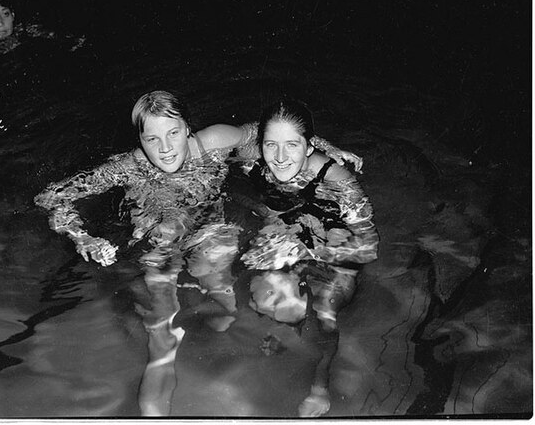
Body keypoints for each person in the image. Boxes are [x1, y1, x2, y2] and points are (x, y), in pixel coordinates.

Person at [34, 90, 362, 416]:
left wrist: (326, 149)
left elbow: (266, 132)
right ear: (140, 139)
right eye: (152, 138)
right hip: (158, 243)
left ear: (188, 128)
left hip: (208, 233)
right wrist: (82, 238)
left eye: (173, 133)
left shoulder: (212, 142)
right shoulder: (126, 167)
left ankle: (230, 320)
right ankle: (154, 414)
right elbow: (50, 198)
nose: (164, 149)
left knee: (225, 296)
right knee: (160, 333)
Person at [236, 98, 379, 418]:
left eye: (292, 145)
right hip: (291, 237)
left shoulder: (338, 179)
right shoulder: (255, 159)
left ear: (309, 146)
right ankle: (285, 326)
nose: (281, 157)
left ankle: (319, 386)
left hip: (336, 255)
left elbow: (368, 246)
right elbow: (227, 140)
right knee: (255, 281)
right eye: (271, 145)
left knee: (325, 312)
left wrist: (309, 249)